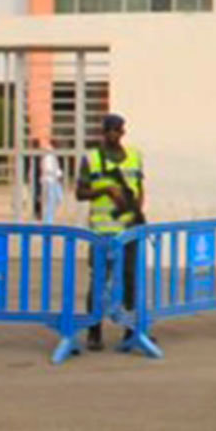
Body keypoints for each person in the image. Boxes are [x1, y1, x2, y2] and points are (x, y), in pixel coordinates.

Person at [77, 114, 145, 351]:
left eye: (118, 130)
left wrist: (136, 212)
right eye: (110, 130)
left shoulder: (134, 156)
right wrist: (106, 189)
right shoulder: (92, 159)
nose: (115, 134)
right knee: (99, 281)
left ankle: (130, 330)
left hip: (129, 230)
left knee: (130, 280)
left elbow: (139, 187)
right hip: (102, 230)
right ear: (103, 132)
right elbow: (80, 193)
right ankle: (94, 332)